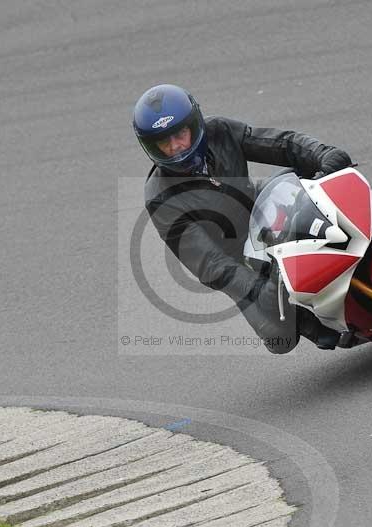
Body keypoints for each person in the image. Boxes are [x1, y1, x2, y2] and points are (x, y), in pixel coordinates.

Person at [134, 84, 353, 354]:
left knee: (320, 181)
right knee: (279, 339)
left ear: (194, 124)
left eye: (180, 133)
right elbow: (208, 262)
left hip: (263, 207)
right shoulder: (159, 197)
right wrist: (256, 289)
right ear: (151, 147)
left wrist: (322, 153)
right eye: (164, 142)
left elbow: (280, 144)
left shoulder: (220, 131)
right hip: (240, 258)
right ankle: (309, 322)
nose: (176, 146)